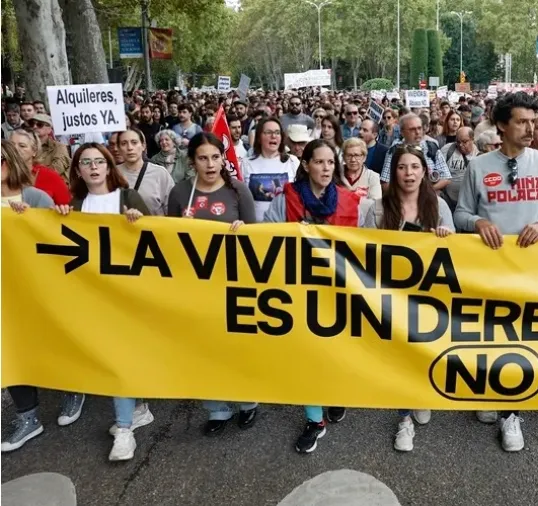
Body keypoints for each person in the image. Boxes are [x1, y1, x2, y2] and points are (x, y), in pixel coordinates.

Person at [453, 92, 538, 452]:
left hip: (531, 266)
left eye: (533, 121)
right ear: (502, 125)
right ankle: (489, 392)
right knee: (490, 334)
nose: (531, 128)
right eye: (521, 121)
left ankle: (511, 413)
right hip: (490, 268)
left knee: (522, 337)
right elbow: (460, 214)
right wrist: (478, 221)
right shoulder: (479, 166)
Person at [52, 143, 150, 460]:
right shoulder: (75, 205)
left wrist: (139, 222)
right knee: (113, 357)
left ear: (109, 166)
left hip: (128, 296)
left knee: (118, 359)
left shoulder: (128, 198)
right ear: (77, 170)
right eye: (86, 162)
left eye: (99, 161)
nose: (93, 167)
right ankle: (137, 408)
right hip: (92, 298)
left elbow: (159, 242)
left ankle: (123, 429)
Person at [263, 139, 362, 452]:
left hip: (337, 290)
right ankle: (314, 419)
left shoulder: (349, 201)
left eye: (330, 163)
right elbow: (266, 239)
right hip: (297, 290)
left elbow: (365, 248)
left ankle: (336, 394)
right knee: (305, 356)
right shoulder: (286, 199)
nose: (325, 168)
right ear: (305, 165)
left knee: (335, 351)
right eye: (319, 162)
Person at [360, 145, 455, 451]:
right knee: (400, 355)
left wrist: (444, 235)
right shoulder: (377, 208)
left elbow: (456, 252)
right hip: (391, 297)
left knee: (424, 350)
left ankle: (422, 395)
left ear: (425, 172)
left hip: (429, 296)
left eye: (415, 167)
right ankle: (404, 418)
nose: (409, 173)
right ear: (394, 172)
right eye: (402, 167)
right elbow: (362, 250)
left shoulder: (438, 206)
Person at [166, 133, 259, 436]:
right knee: (206, 347)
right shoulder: (180, 193)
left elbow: (258, 241)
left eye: (215, 157)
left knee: (238, 346)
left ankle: (248, 402)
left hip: (235, 283)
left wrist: (245, 231)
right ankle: (217, 407)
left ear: (223, 159)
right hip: (197, 285)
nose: (210, 164)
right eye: (203, 158)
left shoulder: (239, 192)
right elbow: (168, 237)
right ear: (192, 162)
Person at [0, 139, 78, 453]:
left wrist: (41, 216)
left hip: (41, 291)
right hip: (7, 295)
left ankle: (74, 390)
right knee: (11, 352)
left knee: (56, 342)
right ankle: (28, 417)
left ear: (10, 162)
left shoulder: (34, 196)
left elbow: (61, 238)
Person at [240, 117, 299, 222]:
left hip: (286, 228)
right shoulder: (246, 164)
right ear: (259, 137)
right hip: (255, 228)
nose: (273, 136)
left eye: (277, 132)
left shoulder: (293, 162)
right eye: (268, 132)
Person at [380, 113, 451, 194]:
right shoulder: (394, 151)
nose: (417, 132)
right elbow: (385, 184)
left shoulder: (432, 147)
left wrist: (425, 191)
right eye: (412, 129)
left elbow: (446, 178)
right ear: (402, 132)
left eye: (419, 128)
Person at [116, 128, 174, 216]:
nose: (130, 148)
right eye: (124, 143)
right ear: (119, 149)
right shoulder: (112, 174)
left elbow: (172, 211)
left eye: (134, 142)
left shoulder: (160, 173)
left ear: (143, 146)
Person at [9, 129, 71, 205]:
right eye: (11, 145)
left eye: (22, 146)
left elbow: (68, 208)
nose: (15, 149)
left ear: (34, 151)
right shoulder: (3, 175)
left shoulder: (50, 176)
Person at [439, 126, 479, 212]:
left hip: (469, 204)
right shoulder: (447, 149)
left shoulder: (479, 155)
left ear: (472, 139)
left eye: (464, 142)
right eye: (458, 141)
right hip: (447, 200)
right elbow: (438, 172)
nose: (460, 145)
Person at [28, 114, 71, 180]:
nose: (34, 126)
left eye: (39, 124)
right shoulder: (26, 146)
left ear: (49, 129)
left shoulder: (59, 147)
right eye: (32, 124)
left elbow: (57, 169)